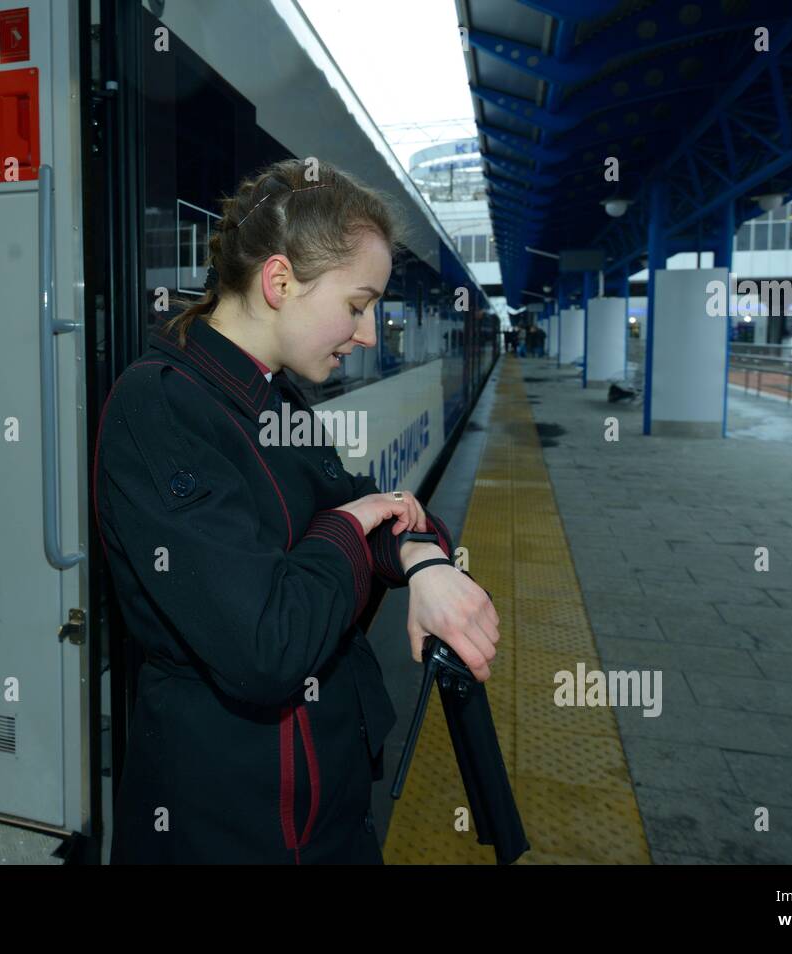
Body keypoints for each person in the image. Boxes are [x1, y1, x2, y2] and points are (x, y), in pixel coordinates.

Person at [94, 159, 500, 864]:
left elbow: (378, 510)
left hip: (320, 808)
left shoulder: (274, 402)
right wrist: (347, 528)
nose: (370, 333)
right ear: (279, 283)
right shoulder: (159, 408)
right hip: (229, 826)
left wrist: (423, 557)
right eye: (357, 305)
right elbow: (268, 645)